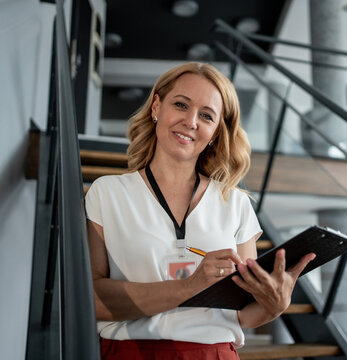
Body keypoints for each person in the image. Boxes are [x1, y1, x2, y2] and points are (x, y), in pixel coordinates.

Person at [85, 62, 315, 359]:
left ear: (216, 132)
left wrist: (275, 305)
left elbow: (242, 316)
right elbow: (91, 299)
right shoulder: (108, 193)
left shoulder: (235, 203)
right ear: (157, 106)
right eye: (181, 104)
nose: (191, 121)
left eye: (206, 116)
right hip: (133, 352)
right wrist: (188, 287)